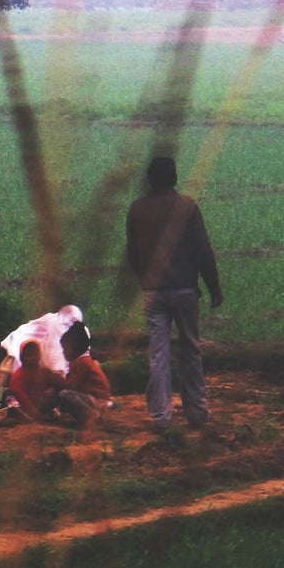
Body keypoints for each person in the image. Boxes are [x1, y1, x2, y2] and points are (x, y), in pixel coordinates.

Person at [126, 155, 222, 429]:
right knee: (190, 349)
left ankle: (160, 416)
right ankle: (197, 412)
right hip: (185, 290)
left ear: (149, 181)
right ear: (175, 178)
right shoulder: (186, 207)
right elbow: (203, 251)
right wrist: (213, 286)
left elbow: (132, 253)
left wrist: (145, 279)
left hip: (154, 292)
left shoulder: (137, 209)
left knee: (158, 354)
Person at [53, 321, 111, 428]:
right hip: (92, 399)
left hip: (97, 400)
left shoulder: (82, 362)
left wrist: (58, 380)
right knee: (62, 394)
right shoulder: (78, 362)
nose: (63, 353)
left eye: (65, 350)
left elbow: (73, 387)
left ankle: (91, 415)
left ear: (74, 348)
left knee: (64, 395)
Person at [4, 340, 63, 422]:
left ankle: (47, 414)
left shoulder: (44, 371)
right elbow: (21, 396)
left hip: (42, 406)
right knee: (8, 396)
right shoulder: (17, 376)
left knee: (60, 393)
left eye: (35, 354)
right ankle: (24, 416)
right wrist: (33, 411)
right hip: (24, 407)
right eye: (28, 355)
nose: (33, 358)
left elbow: (61, 385)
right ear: (22, 357)